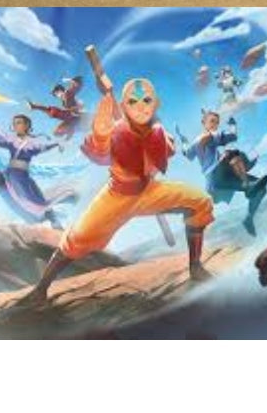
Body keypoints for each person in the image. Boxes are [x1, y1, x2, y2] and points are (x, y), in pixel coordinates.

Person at [21, 77, 214, 303]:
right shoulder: (116, 130)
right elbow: (101, 146)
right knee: (76, 238)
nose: (140, 106)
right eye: (132, 101)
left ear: (155, 104)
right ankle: (40, 290)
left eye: (146, 100)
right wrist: (102, 131)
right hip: (117, 197)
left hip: (149, 192)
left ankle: (195, 267)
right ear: (124, 106)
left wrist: (160, 144)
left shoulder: (159, 131)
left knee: (200, 202)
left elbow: (166, 150)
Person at [179, 110, 267, 235]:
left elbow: (187, 154)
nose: (215, 125)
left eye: (217, 123)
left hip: (220, 179)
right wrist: (232, 123)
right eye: (212, 121)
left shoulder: (196, 142)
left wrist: (184, 142)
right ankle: (247, 186)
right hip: (217, 176)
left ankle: (248, 219)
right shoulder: (210, 136)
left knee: (261, 189)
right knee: (231, 153)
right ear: (203, 122)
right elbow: (233, 136)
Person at [0, 108, 65, 226]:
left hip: (22, 179)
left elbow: (44, 147)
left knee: (36, 205)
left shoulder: (33, 143)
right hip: (8, 175)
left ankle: (55, 224)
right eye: (14, 123)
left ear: (26, 125)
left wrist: (57, 144)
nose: (15, 126)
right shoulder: (12, 140)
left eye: (18, 123)